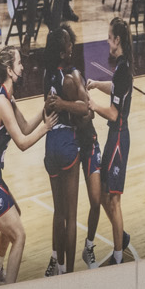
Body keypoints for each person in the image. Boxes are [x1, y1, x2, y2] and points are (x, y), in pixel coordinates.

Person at [0, 40, 54, 286]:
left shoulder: (8, 99)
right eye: (19, 62)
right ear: (9, 70)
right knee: (19, 234)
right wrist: (47, 128)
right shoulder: (2, 103)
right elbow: (23, 142)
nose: (23, 66)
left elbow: (25, 127)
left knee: (14, 215)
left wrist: (44, 111)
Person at [39, 22, 96, 275]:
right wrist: (65, 104)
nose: (73, 47)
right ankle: (69, 272)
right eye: (69, 45)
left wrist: (56, 106)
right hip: (66, 143)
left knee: (57, 212)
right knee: (71, 217)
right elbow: (85, 108)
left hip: (49, 144)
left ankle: (57, 264)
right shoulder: (71, 78)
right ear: (63, 52)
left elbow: (45, 111)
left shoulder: (44, 75)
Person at [84, 18, 137, 267]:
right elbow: (115, 88)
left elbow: (115, 113)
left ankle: (118, 256)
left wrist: (93, 106)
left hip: (118, 138)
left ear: (117, 40)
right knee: (106, 196)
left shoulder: (124, 69)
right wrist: (96, 84)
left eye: (109, 37)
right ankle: (122, 236)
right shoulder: (121, 67)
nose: (107, 41)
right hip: (113, 137)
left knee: (113, 200)